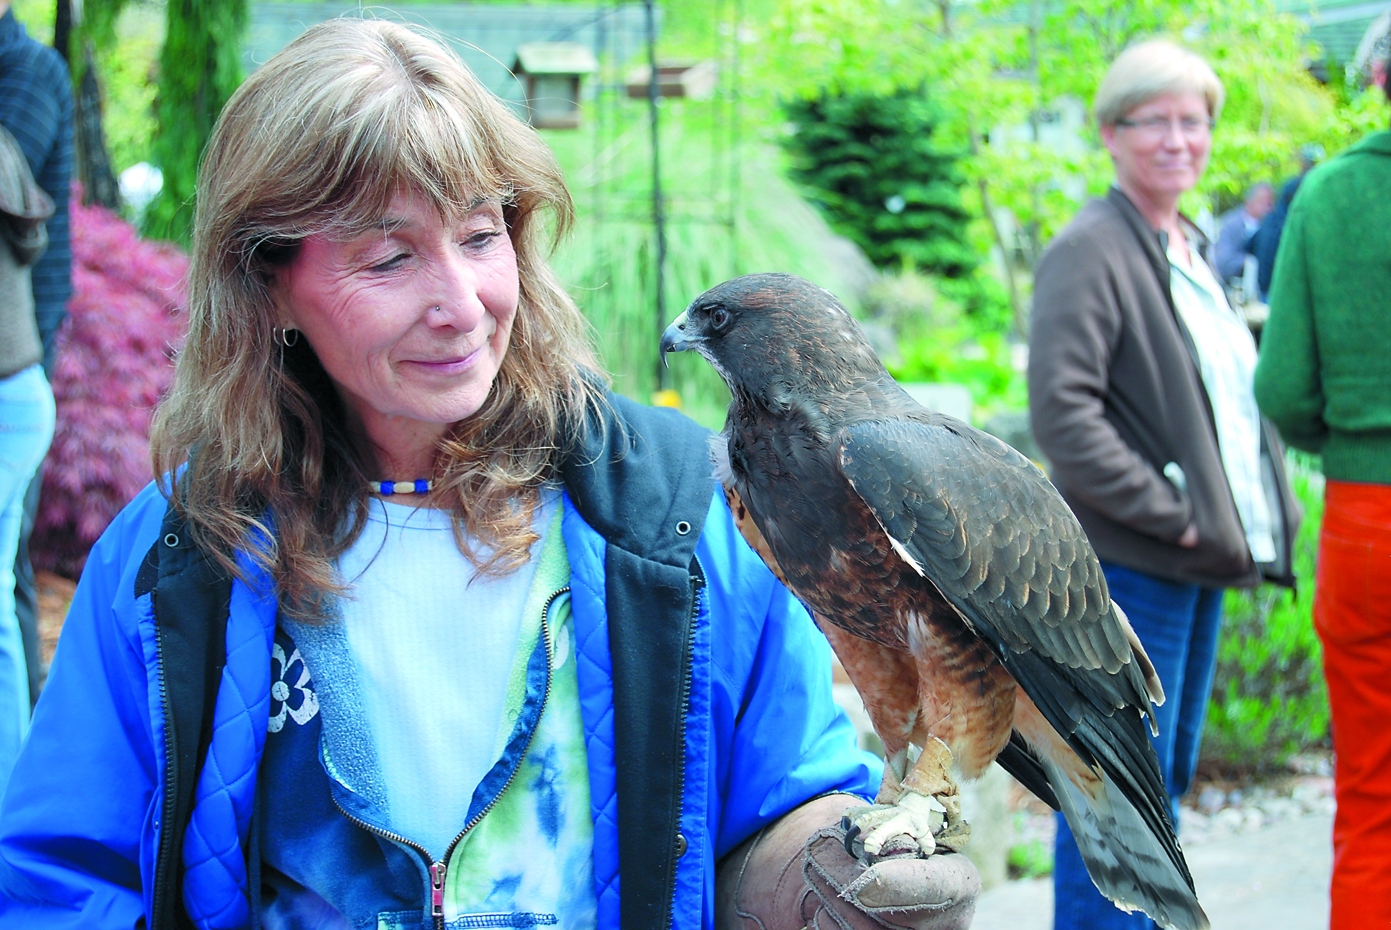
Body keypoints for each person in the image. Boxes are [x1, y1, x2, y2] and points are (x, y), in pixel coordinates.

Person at [0, 19, 980, 930]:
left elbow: (779, 799)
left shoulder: (678, 514)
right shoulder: (175, 557)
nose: (462, 305)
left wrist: (829, 880)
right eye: (389, 258)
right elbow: (61, 880)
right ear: (267, 286)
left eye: (479, 235)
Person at [1028, 39, 1299, 930]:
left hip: (1193, 565)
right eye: (1155, 121)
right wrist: (1177, 516)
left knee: (1160, 786)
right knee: (1119, 802)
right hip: (1135, 570)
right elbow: (1065, 420)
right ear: (1110, 133)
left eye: (1195, 121)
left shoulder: (1183, 245)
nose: (1179, 139)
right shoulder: (1090, 248)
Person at [1253, 50, 1391, 930]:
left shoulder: (1333, 194)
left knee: (1372, 794)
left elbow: (1283, 393)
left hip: (1365, 520)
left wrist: (1347, 446)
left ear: (1378, 78)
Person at [0, 0, 73, 708]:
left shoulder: (29, 69)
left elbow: (10, 169)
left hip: (22, 353)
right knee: (9, 574)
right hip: (19, 355)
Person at [1250, 143, 1323, 300]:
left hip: (1268, 288)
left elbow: (1249, 245)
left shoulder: (1270, 219)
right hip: (1279, 291)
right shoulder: (1294, 221)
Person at [1212, 181, 1272, 284]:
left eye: (1270, 203)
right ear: (1249, 202)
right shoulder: (1231, 224)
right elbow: (1223, 261)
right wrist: (1248, 262)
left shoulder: (1270, 227)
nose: (1267, 208)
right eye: (1262, 202)